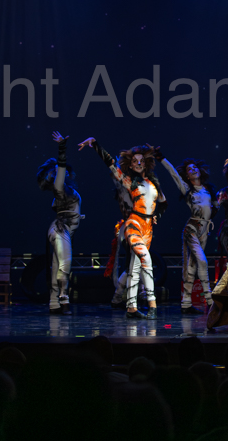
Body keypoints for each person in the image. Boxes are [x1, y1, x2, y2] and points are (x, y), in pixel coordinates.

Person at [79, 137, 165, 319]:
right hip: (134, 223)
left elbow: (163, 202)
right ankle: (152, 305)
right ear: (130, 165)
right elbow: (111, 164)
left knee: (135, 268)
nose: (138, 163)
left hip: (148, 228)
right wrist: (95, 144)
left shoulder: (153, 184)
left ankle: (131, 308)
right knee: (146, 260)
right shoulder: (129, 182)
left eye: (141, 160)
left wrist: (157, 214)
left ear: (146, 163)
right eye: (135, 161)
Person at [159, 153, 215, 314]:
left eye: (195, 167)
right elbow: (174, 174)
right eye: (189, 169)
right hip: (192, 229)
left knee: (192, 266)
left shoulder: (208, 190)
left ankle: (186, 303)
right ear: (187, 176)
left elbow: (214, 207)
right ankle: (210, 300)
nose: (193, 170)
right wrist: (162, 158)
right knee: (202, 261)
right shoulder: (188, 190)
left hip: (205, 230)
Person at [37, 131, 83, 314]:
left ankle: (53, 302)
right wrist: (62, 148)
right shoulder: (59, 187)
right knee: (65, 263)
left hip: (63, 229)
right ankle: (64, 300)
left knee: (57, 265)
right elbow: (61, 169)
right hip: (60, 229)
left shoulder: (66, 190)